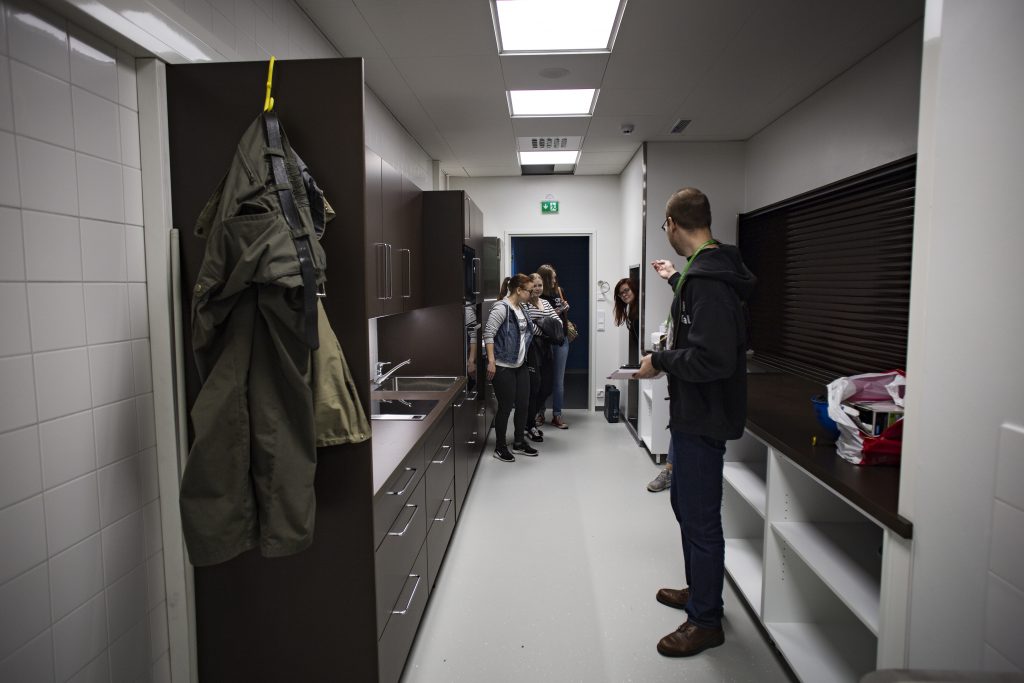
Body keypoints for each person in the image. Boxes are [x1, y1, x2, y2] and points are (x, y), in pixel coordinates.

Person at [634, 187, 755, 657]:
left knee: (701, 519)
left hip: (702, 419)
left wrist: (659, 361)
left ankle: (705, 620)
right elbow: (703, 327)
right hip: (693, 415)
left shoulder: (707, 281)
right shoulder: (704, 273)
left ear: (670, 223)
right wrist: (674, 281)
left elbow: (714, 358)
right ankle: (700, 591)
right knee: (686, 506)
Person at [483, 274, 542, 462]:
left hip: (520, 365)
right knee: (506, 407)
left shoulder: (522, 308)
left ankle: (518, 443)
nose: (532, 294)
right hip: (503, 366)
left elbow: (527, 333)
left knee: (523, 405)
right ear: (519, 290)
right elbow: (489, 334)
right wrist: (491, 361)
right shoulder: (502, 308)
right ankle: (500, 447)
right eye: (529, 291)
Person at [524, 273, 563, 443]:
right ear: (529, 286)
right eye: (535, 285)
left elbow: (559, 324)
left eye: (540, 285)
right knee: (535, 386)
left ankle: (528, 420)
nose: (538, 288)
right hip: (532, 349)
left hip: (547, 349)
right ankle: (529, 425)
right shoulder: (524, 304)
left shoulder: (546, 303)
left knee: (547, 387)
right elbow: (529, 327)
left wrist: (542, 322)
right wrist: (547, 327)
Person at [536, 264, 571, 429]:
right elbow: (539, 318)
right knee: (542, 380)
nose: (555, 280)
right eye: (552, 277)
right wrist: (555, 312)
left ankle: (557, 415)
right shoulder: (538, 296)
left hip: (561, 340)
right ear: (545, 278)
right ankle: (539, 413)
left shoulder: (559, 291)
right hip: (544, 342)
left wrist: (565, 309)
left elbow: (562, 315)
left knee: (559, 381)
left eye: (555, 277)